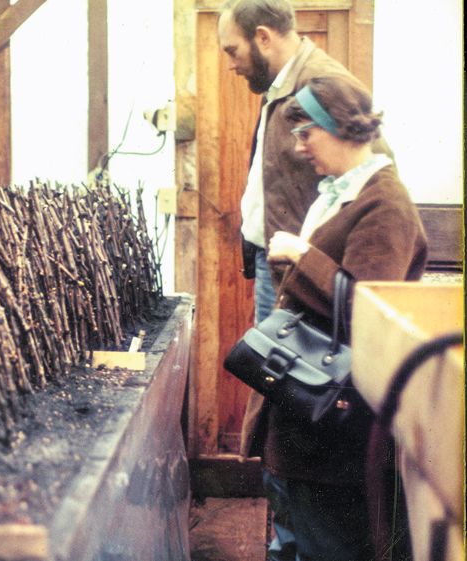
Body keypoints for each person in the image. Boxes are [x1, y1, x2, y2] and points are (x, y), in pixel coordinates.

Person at [217, 3, 390, 559]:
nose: (231, 64)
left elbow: (371, 180)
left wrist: (307, 260)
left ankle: (294, 542)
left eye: (233, 50)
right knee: (280, 415)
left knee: (296, 413)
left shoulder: (325, 88)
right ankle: (286, 539)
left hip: (309, 283)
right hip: (287, 273)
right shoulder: (282, 87)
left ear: (263, 37)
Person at [248, 75, 427, 561]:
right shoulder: (339, 192)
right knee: (295, 539)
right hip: (309, 422)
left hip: (335, 433)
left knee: (322, 543)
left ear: (342, 128)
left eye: (307, 132)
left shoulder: (385, 206)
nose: (299, 145)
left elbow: (371, 311)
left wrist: (302, 257)